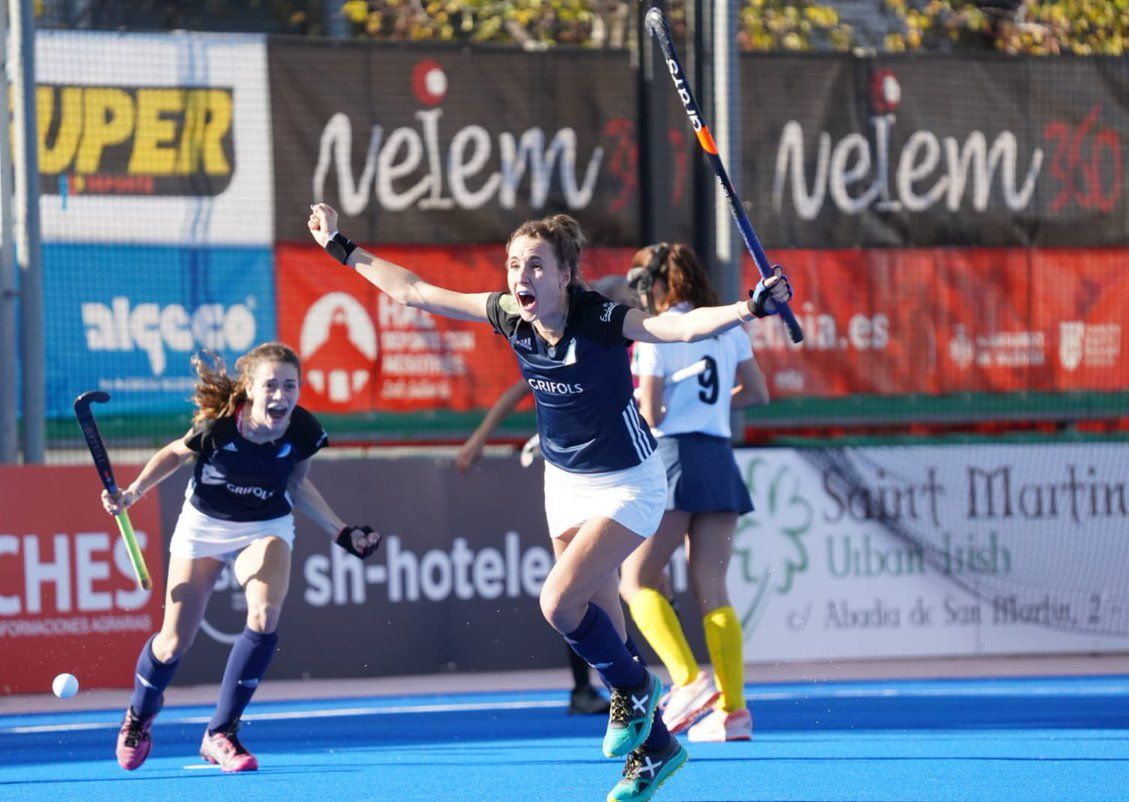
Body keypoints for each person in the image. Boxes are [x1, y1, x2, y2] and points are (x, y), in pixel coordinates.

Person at [307, 203, 791, 802]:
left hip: (630, 481)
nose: (520, 277)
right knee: (605, 621)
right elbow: (412, 291)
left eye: (535, 266)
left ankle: (639, 690)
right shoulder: (509, 315)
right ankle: (657, 749)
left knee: (559, 603)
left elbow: (676, 329)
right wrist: (340, 246)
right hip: (563, 482)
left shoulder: (602, 317)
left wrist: (750, 308)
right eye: (514, 265)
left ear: (565, 275)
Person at [101, 342, 381, 773]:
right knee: (174, 641)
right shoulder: (219, 429)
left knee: (265, 615)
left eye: (290, 386)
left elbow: (297, 485)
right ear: (250, 389)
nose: (281, 396)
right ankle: (138, 717)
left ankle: (220, 733)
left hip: (264, 525)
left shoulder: (302, 431)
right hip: (204, 526)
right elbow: (176, 453)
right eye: (270, 385)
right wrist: (133, 493)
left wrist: (343, 533)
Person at [619, 243, 769, 743]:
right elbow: (758, 393)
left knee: (635, 579)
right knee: (713, 587)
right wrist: (713, 405)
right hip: (718, 457)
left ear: (660, 283)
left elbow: (652, 415)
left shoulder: (655, 333)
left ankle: (686, 679)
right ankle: (735, 711)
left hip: (674, 460)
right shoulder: (727, 325)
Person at [456, 379, 609, 717]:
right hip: (571, 479)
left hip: (614, 474)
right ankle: (589, 688)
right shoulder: (552, 347)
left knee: (622, 585)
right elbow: (518, 390)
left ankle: (630, 685)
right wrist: (480, 438)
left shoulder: (620, 344)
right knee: (577, 590)